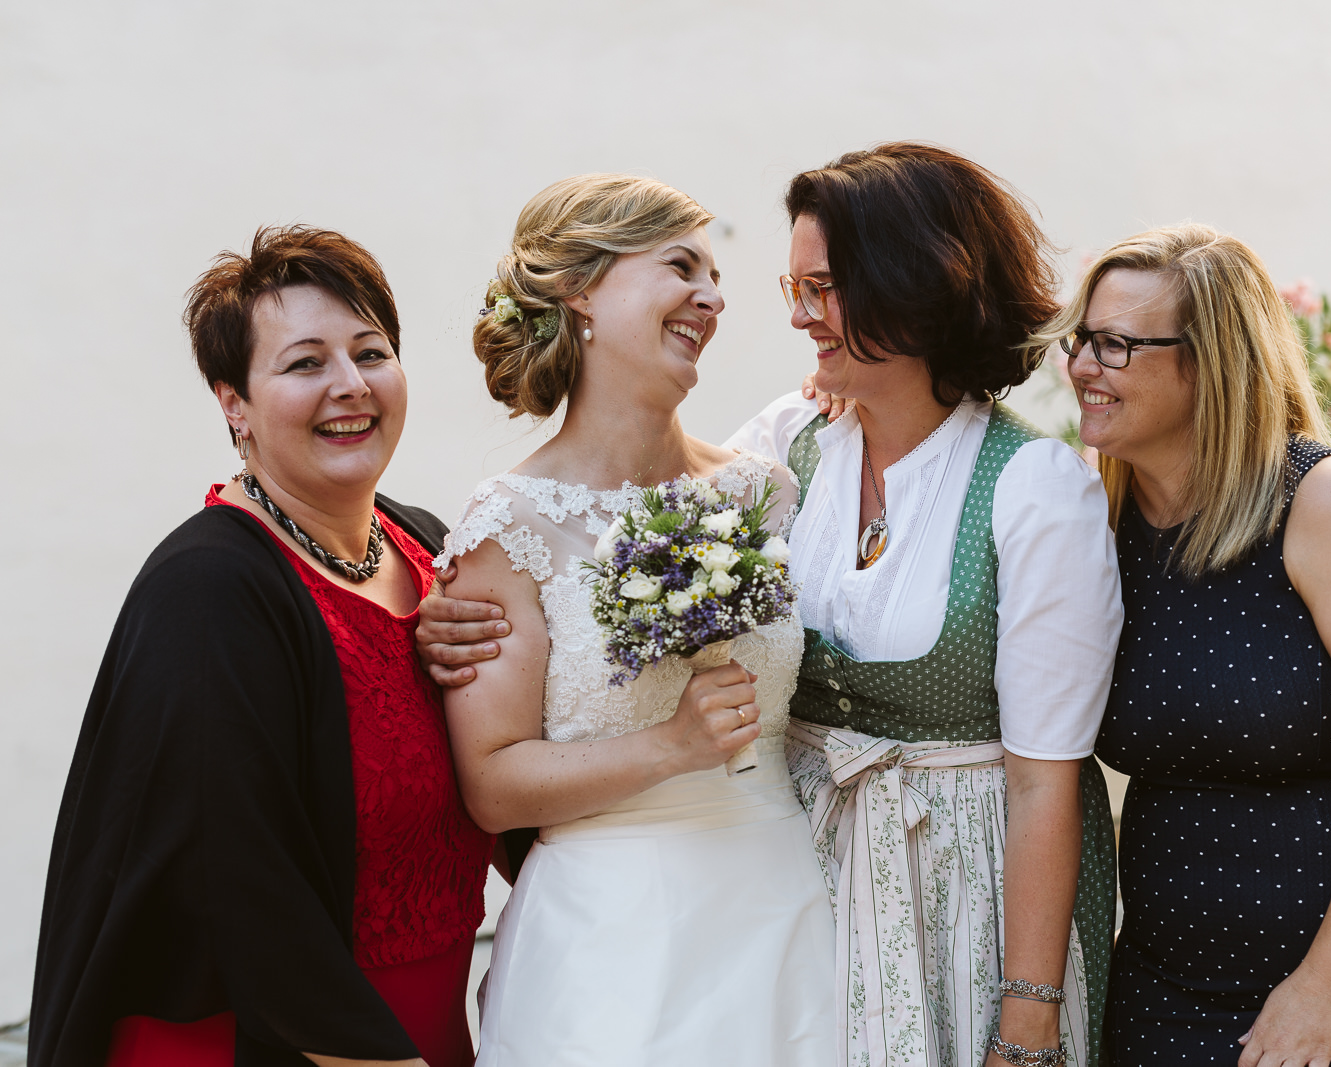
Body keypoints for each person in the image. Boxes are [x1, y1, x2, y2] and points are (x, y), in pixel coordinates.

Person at [421, 144, 1125, 1067]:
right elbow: (500, 753)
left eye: (822, 289)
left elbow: (1048, 775)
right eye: (789, 286)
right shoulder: (786, 452)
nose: (789, 314)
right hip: (714, 916)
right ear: (581, 295)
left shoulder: (995, 483)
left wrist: (1028, 1012)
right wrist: (447, 615)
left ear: (904, 285)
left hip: (882, 903)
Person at [30, 226, 493, 1067]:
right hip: (273, 1041)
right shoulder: (209, 587)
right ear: (232, 402)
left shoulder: (428, 548)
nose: (350, 385)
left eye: (371, 351)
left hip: (430, 1025)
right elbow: (233, 878)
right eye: (305, 363)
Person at [1055, 224, 1331, 1066]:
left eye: (1115, 345)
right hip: (1170, 973)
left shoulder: (1325, 504)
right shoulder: (1097, 516)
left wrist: (1323, 987)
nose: (1082, 366)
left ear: (1213, 361)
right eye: (1083, 338)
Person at [433, 174, 835, 1065]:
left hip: (784, 912)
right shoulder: (510, 525)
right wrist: (673, 744)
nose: (714, 297)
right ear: (582, 294)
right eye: (680, 265)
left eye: (715, 274)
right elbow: (493, 783)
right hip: (608, 943)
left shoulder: (762, 489)